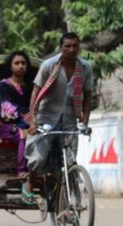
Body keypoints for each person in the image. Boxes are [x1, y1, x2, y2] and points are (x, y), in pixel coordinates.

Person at [27, 32, 93, 174]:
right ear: (61, 47)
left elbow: (87, 97)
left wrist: (85, 124)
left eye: (75, 46)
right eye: (67, 46)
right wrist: (33, 122)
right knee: (38, 158)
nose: (72, 49)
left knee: (71, 162)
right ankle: (30, 181)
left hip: (70, 119)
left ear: (79, 47)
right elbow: (35, 93)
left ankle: (71, 191)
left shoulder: (85, 67)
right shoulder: (48, 65)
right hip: (46, 118)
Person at [0, 50, 34, 201]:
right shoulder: (4, 85)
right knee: (23, 133)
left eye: (23, 63)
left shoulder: (31, 86)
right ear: (11, 67)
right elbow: (6, 107)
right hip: (8, 127)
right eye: (17, 63)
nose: (20, 66)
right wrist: (26, 116)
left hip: (31, 123)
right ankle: (22, 174)